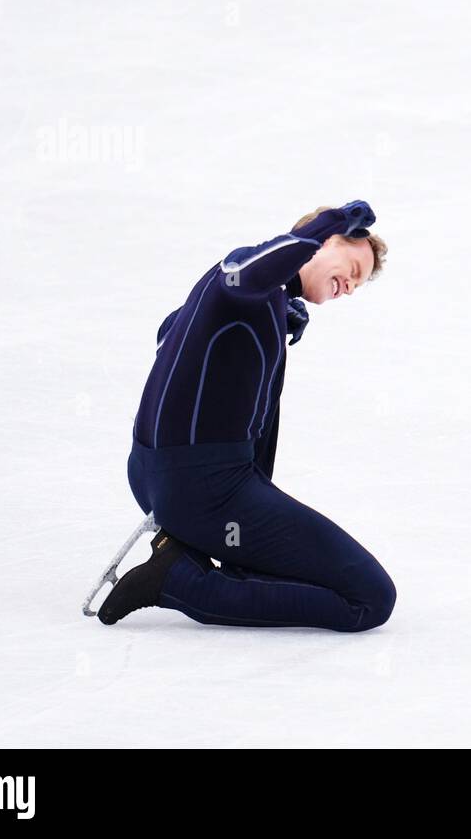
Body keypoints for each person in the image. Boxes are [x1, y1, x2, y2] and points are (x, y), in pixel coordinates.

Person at [97, 201, 397, 629]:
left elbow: (171, 331)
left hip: (158, 478)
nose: (350, 286)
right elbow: (241, 273)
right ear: (325, 240)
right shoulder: (243, 277)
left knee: (296, 567)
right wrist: (326, 224)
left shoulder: (264, 302)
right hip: (205, 490)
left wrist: (272, 318)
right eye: (352, 267)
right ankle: (177, 580)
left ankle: (184, 550)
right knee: (370, 598)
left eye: (358, 284)